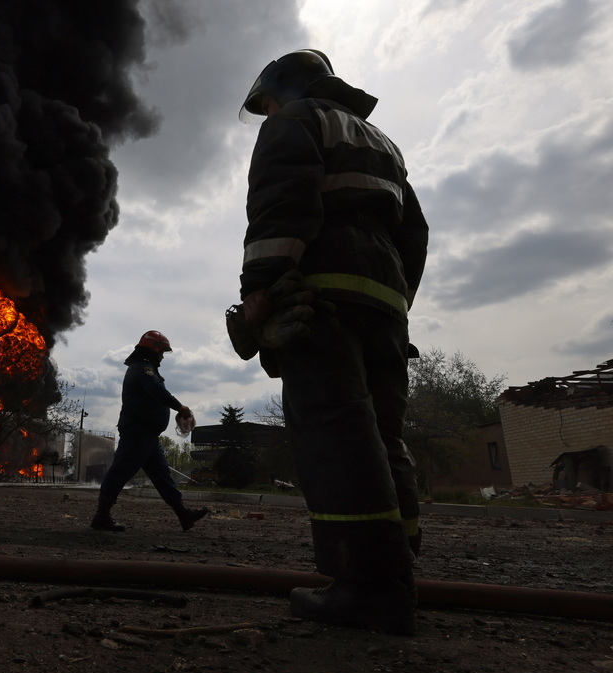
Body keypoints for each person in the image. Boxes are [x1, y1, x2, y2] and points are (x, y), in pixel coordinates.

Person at [236, 49, 429, 635]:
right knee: (383, 436)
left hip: (321, 298)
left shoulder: (295, 122)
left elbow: (282, 204)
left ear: (281, 90)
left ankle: (368, 588)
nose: (265, 113)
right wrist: (394, 306)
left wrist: (260, 294)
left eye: (265, 103)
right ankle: (399, 570)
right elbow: (414, 233)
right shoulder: (383, 143)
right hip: (385, 303)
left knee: (335, 434)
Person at [90, 330, 208, 532]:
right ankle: (101, 517)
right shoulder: (143, 369)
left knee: (163, 477)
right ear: (154, 350)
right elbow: (157, 391)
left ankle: (183, 515)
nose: (162, 356)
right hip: (138, 432)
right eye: (162, 352)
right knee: (120, 472)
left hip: (148, 436)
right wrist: (180, 407)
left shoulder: (144, 368)